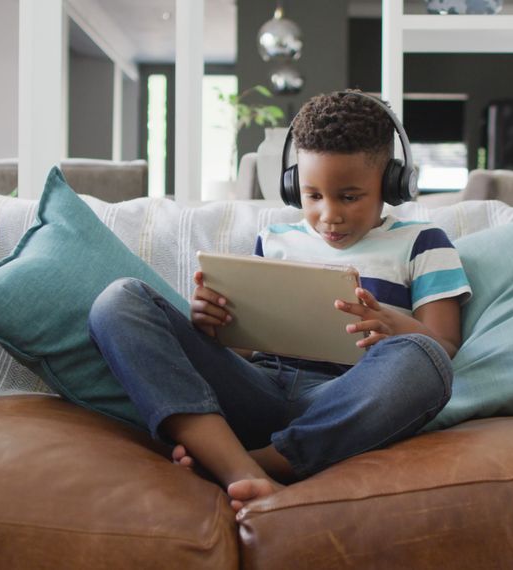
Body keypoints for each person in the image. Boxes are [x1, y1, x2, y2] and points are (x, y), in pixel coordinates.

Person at [88, 90, 471, 511]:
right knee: (117, 301)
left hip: (345, 400)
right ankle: (241, 467)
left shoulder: (423, 242)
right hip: (258, 388)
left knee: (422, 360)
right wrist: (212, 325)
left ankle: (255, 465)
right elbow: (245, 349)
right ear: (292, 187)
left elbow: (443, 347)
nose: (329, 215)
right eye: (313, 196)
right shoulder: (274, 241)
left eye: (349, 196)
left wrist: (395, 326)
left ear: (392, 182)